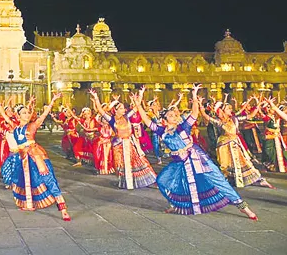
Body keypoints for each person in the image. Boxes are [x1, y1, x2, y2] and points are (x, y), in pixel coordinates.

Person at [131, 85, 258, 220]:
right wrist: (139, 104)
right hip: (178, 163)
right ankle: (175, 204)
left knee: (219, 180)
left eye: (175, 115)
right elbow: (146, 120)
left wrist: (194, 96)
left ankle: (244, 207)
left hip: (196, 158)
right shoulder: (161, 131)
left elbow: (194, 114)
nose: (174, 116)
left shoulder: (183, 127)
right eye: (171, 115)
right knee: (162, 181)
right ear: (165, 119)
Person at [7, 93, 70, 221]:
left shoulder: (32, 125)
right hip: (23, 158)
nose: (27, 114)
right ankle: (29, 204)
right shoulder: (15, 128)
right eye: (24, 113)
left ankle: (63, 209)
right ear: (18, 116)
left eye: (27, 112)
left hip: (36, 156)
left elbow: (44, 115)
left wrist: (52, 101)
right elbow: (4, 116)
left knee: (48, 179)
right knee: (26, 181)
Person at [199, 97, 274, 189]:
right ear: (222, 111)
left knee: (244, 162)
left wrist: (258, 105)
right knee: (225, 166)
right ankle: (223, 183)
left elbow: (249, 116)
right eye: (228, 109)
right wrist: (199, 104)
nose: (230, 110)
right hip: (224, 146)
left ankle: (258, 180)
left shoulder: (234, 119)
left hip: (235, 144)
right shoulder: (219, 122)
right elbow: (206, 116)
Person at [89, 90, 156, 190]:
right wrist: (96, 97)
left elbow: (136, 107)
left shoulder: (127, 117)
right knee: (121, 165)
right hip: (119, 145)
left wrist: (140, 95)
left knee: (138, 161)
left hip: (129, 143)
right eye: (121, 108)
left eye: (123, 108)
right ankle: (124, 182)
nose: (123, 109)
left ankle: (144, 180)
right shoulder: (111, 119)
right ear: (115, 110)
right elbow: (100, 110)